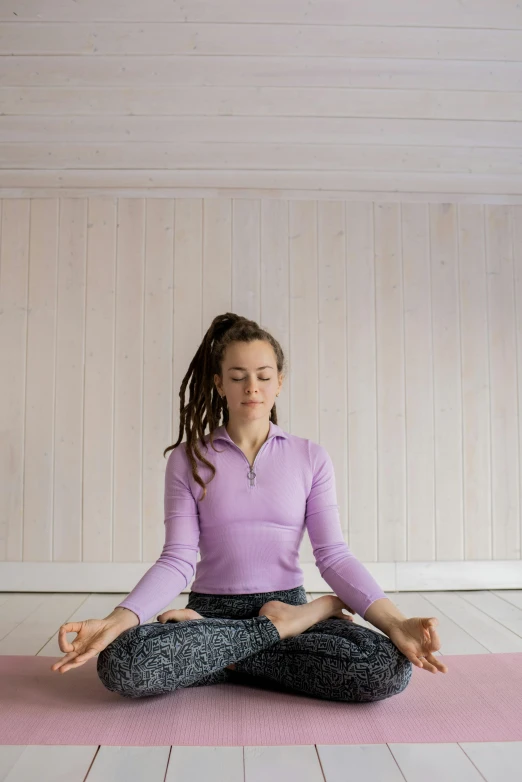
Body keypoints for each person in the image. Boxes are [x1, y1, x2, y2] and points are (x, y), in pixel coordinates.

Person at [51, 312, 447, 700]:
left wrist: (394, 621)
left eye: (263, 376)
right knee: (121, 662)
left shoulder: (310, 457)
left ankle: (219, 654)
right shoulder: (188, 458)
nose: (251, 387)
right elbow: (177, 559)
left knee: (386, 667)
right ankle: (279, 628)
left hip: (281, 605)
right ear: (220, 383)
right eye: (238, 377)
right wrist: (115, 621)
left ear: (280, 383)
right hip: (216, 610)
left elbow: (333, 556)